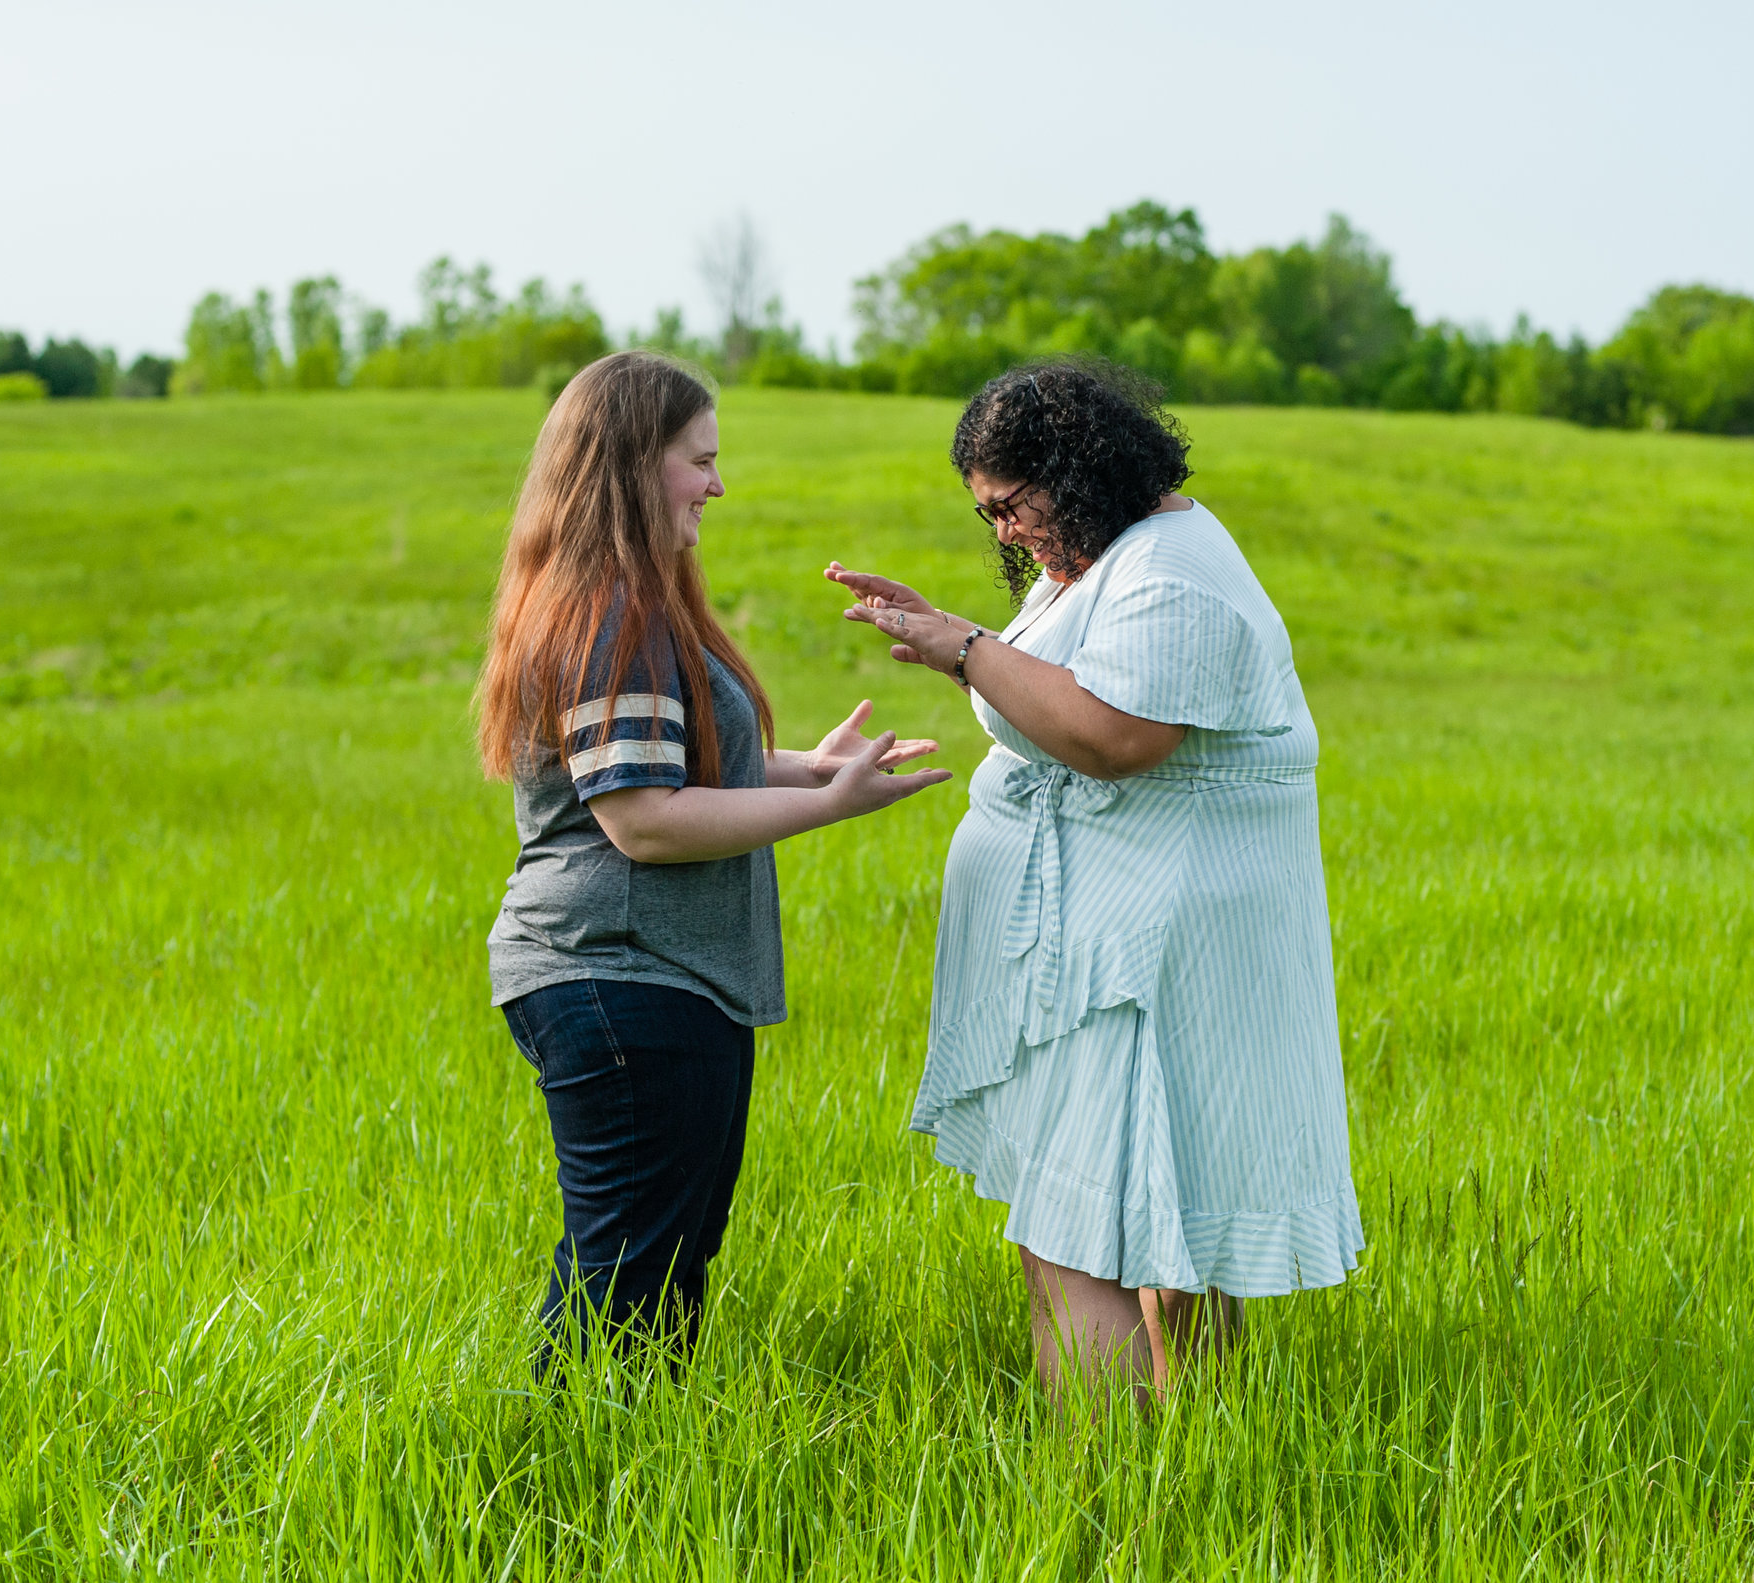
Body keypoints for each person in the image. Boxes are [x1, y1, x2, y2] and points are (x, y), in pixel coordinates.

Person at [828, 360, 1363, 1397]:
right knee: (1150, 1224)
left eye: (1009, 505)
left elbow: (1115, 733)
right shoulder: (1114, 556)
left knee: (1087, 1233)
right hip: (1114, 954)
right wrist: (951, 641)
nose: (1003, 533)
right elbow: (1061, 682)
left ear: (1075, 471)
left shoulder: (1171, 571)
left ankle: (1101, 1490)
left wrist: (964, 645)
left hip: (1139, 964)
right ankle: (1188, 1464)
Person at [478, 350, 948, 1366]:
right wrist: (829, 807)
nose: (718, 483)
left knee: (653, 1268)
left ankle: (603, 1469)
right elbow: (642, 816)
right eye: (700, 457)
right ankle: (581, 1485)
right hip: (620, 968)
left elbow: (658, 759)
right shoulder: (614, 613)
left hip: (641, 971)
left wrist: (806, 769)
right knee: (632, 1284)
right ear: (635, 462)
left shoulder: (616, 598)